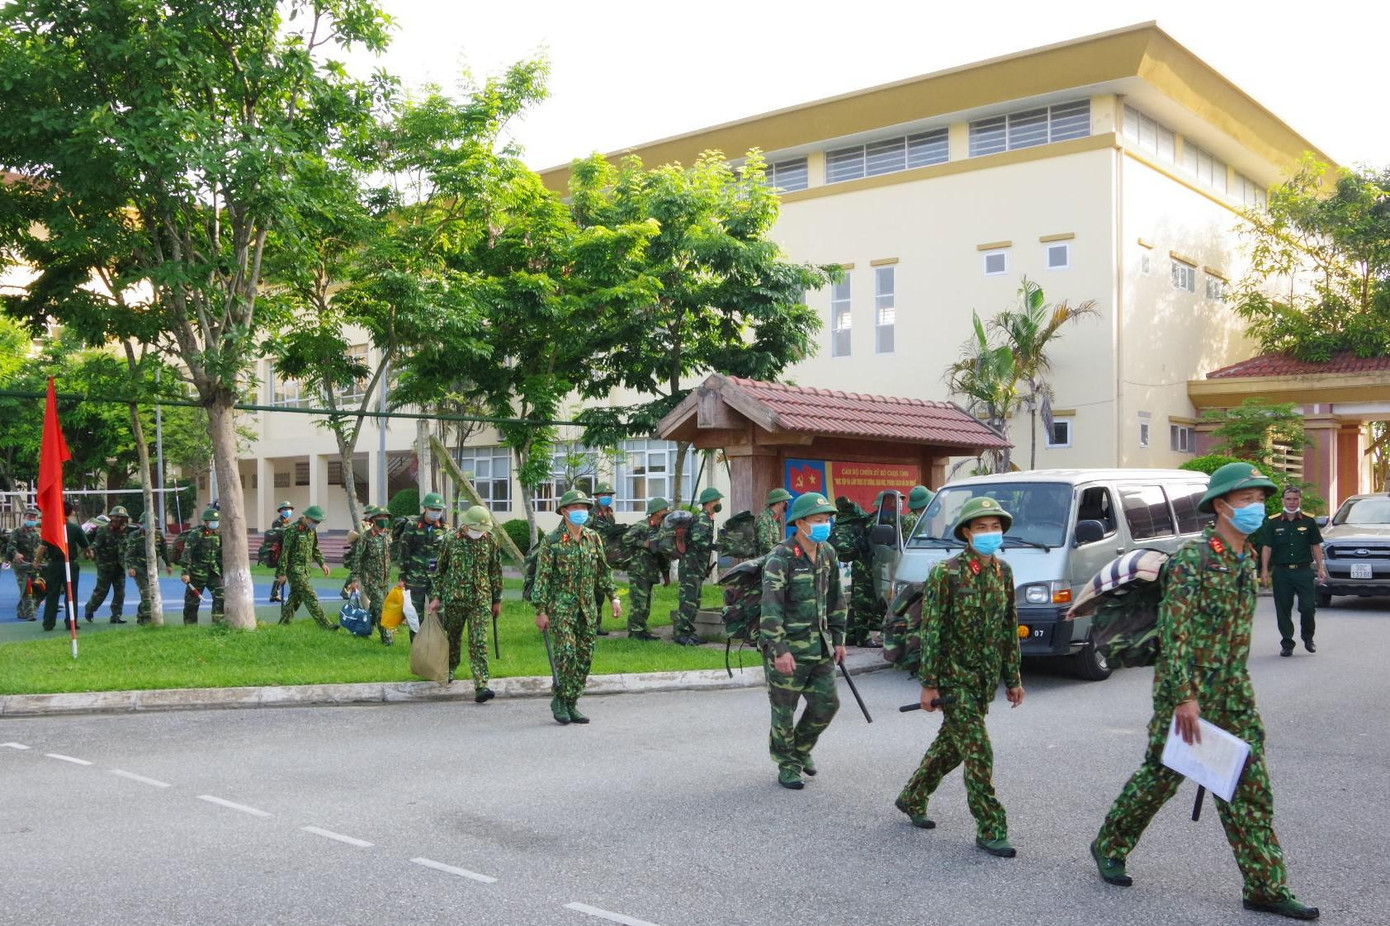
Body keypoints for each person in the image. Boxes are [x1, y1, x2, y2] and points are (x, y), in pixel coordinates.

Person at [1090, 462, 1319, 921]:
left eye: (1261, 499)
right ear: (1221, 505)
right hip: (1187, 689)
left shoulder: (1247, 556)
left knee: (1248, 784)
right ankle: (1109, 843)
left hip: (1234, 690)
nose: (1257, 507)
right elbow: (1176, 633)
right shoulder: (1194, 559)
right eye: (1247, 499)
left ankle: (1264, 886)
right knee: (1161, 777)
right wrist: (1184, 697)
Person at [895, 496, 1024, 858]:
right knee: (979, 752)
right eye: (981, 527)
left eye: (994, 527)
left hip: (983, 681)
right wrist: (929, 683)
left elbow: (1007, 627)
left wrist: (1012, 678)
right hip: (954, 680)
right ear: (966, 533)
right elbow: (933, 630)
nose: (989, 533)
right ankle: (991, 827)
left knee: (952, 748)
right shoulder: (946, 572)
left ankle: (913, 796)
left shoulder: (1004, 572)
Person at [759, 492, 848, 790]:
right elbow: (770, 609)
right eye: (818, 520)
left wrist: (839, 639)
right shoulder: (780, 557)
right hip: (787, 649)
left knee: (827, 704)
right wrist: (780, 650)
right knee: (784, 709)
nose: (825, 525)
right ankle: (787, 764)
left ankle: (799, 749)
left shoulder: (827, 553)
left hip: (820, 646)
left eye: (827, 520)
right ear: (800, 523)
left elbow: (837, 597)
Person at [532, 490, 621, 725]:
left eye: (584, 507)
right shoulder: (551, 541)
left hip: (588, 609)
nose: (581, 511)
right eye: (576, 508)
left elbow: (603, 570)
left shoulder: (593, 537)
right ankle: (560, 699)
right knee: (566, 656)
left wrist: (614, 597)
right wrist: (540, 610)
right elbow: (542, 578)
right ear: (564, 511)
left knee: (584, 657)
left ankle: (572, 702)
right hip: (561, 609)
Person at [430, 505, 503, 701]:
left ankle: (481, 684)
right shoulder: (450, 540)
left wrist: (497, 599)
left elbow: (495, 571)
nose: (479, 533)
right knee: (452, 638)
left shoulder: (490, 541)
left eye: (482, 530)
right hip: (455, 599)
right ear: (467, 525)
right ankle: (450, 669)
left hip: (481, 599)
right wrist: (436, 597)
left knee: (479, 641)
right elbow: (440, 571)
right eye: (476, 529)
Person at [1256, 486, 1327, 657]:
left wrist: (1320, 567)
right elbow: (1267, 547)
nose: (1292, 502)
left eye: (1295, 499)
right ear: (1283, 500)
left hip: (1303, 571)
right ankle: (1287, 643)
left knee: (1309, 607)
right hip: (1282, 572)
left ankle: (1308, 637)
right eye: (1289, 499)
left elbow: (1315, 546)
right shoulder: (1273, 522)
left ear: (1300, 500)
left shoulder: (1309, 521)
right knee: (1283, 609)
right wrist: (1265, 570)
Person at [847, 490, 901, 648]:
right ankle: (861, 638)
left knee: (866, 602)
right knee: (862, 603)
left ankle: (852, 635)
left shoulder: (878, 520)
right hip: (865, 567)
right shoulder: (875, 522)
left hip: (870, 566)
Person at [675, 487, 722, 646]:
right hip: (691, 567)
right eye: (717, 500)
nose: (719, 503)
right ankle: (682, 634)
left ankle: (688, 631)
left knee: (695, 601)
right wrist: (714, 546)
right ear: (710, 502)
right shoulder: (702, 518)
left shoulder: (707, 518)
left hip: (696, 567)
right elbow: (697, 540)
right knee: (688, 600)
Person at [35, 501, 91, 631]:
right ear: (71, 512)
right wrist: (89, 554)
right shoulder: (76, 528)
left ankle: (48, 623)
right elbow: (87, 548)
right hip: (70, 563)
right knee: (71, 595)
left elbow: (42, 548)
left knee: (52, 594)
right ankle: (71, 623)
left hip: (54, 564)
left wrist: (36, 561)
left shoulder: (51, 529)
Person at [622, 496, 671, 640]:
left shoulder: (661, 529)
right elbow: (626, 539)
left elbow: (662, 554)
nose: (666, 512)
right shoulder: (641, 526)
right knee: (639, 602)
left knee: (646, 603)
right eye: (664, 509)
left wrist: (666, 574)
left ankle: (642, 630)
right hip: (638, 570)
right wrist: (643, 543)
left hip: (651, 571)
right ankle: (635, 632)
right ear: (656, 512)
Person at [346, 506, 397, 645]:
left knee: (375, 608)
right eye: (381, 517)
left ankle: (364, 628)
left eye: (386, 517)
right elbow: (358, 558)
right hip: (370, 580)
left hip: (385, 580)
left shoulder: (388, 535)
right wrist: (355, 578)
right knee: (381, 607)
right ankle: (387, 640)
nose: (384, 520)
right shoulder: (366, 537)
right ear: (373, 520)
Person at [277, 504, 333, 628]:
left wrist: (322, 563)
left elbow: (315, 549)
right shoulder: (293, 529)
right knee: (310, 595)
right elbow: (285, 552)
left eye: (318, 522)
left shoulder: (312, 531)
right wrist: (282, 573)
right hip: (294, 570)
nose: (316, 524)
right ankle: (326, 625)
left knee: (295, 599)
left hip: (306, 570)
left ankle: (282, 624)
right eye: (315, 521)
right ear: (307, 518)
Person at [397, 491, 447, 625]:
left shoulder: (444, 528)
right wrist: (402, 578)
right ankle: (417, 645)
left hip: (436, 579)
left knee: (440, 614)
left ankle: (437, 645)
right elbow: (404, 551)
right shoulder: (412, 525)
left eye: (439, 509)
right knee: (415, 615)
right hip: (415, 578)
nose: (436, 512)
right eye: (433, 509)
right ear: (425, 508)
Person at [84, 506, 132, 624]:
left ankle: (116, 615)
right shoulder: (103, 530)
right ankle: (90, 609)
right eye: (116, 518)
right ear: (111, 518)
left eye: (121, 518)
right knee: (101, 591)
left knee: (120, 592)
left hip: (119, 566)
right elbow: (96, 544)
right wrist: (91, 552)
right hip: (105, 566)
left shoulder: (126, 531)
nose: (118, 520)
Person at [180, 507, 224, 625]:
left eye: (216, 521)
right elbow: (187, 553)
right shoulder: (196, 535)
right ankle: (190, 627)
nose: (215, 524)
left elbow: (220, 555)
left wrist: (222, 572)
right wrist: (185, 572)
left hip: (213, 572)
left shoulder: (218, 535)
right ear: (205, 522)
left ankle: (218, 623)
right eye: (211, 521)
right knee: (192, 602)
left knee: (220, 596)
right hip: (196, 573)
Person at [125, 514, 171, 625]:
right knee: (146, 595)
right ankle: (146, 621)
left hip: (153, 570)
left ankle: (141, 615)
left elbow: (164, 551)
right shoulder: (135, 536)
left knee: (151, 594)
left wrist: (168, 565)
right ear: (140, 524)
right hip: (139, 569)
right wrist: (130, 567)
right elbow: (129, 553)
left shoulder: (159, 535)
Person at [5, 506, 43, 621]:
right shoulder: (17, 532)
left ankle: (21, 611)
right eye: (29, 517)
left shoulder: (36, 534)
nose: (31, 519)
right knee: (27, 589)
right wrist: (16, 554)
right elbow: (11, 546)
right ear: (24, 518)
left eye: (34, 517)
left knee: (37, 589)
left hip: (33, 565)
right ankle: (31, 614)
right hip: (21, 565)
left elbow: (40, 549)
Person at [264, 501, 295, 603]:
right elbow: (278, 535)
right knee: (281, 574)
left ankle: (274, 594)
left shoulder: (288, 522)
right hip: (280, 551)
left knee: (282, 574)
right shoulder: (277, 522)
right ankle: (274, 594)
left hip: (287, 550)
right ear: (281, 511)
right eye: (285, 509)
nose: (288, 511)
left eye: (289, 509)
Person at [754, 488, 792, 556]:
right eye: (785, 502)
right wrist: (783, 551)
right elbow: (766, 545)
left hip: (774, 558)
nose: (787, 504)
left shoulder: (776, 519)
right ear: (779, 503)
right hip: (764, 560)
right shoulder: (765, 518)